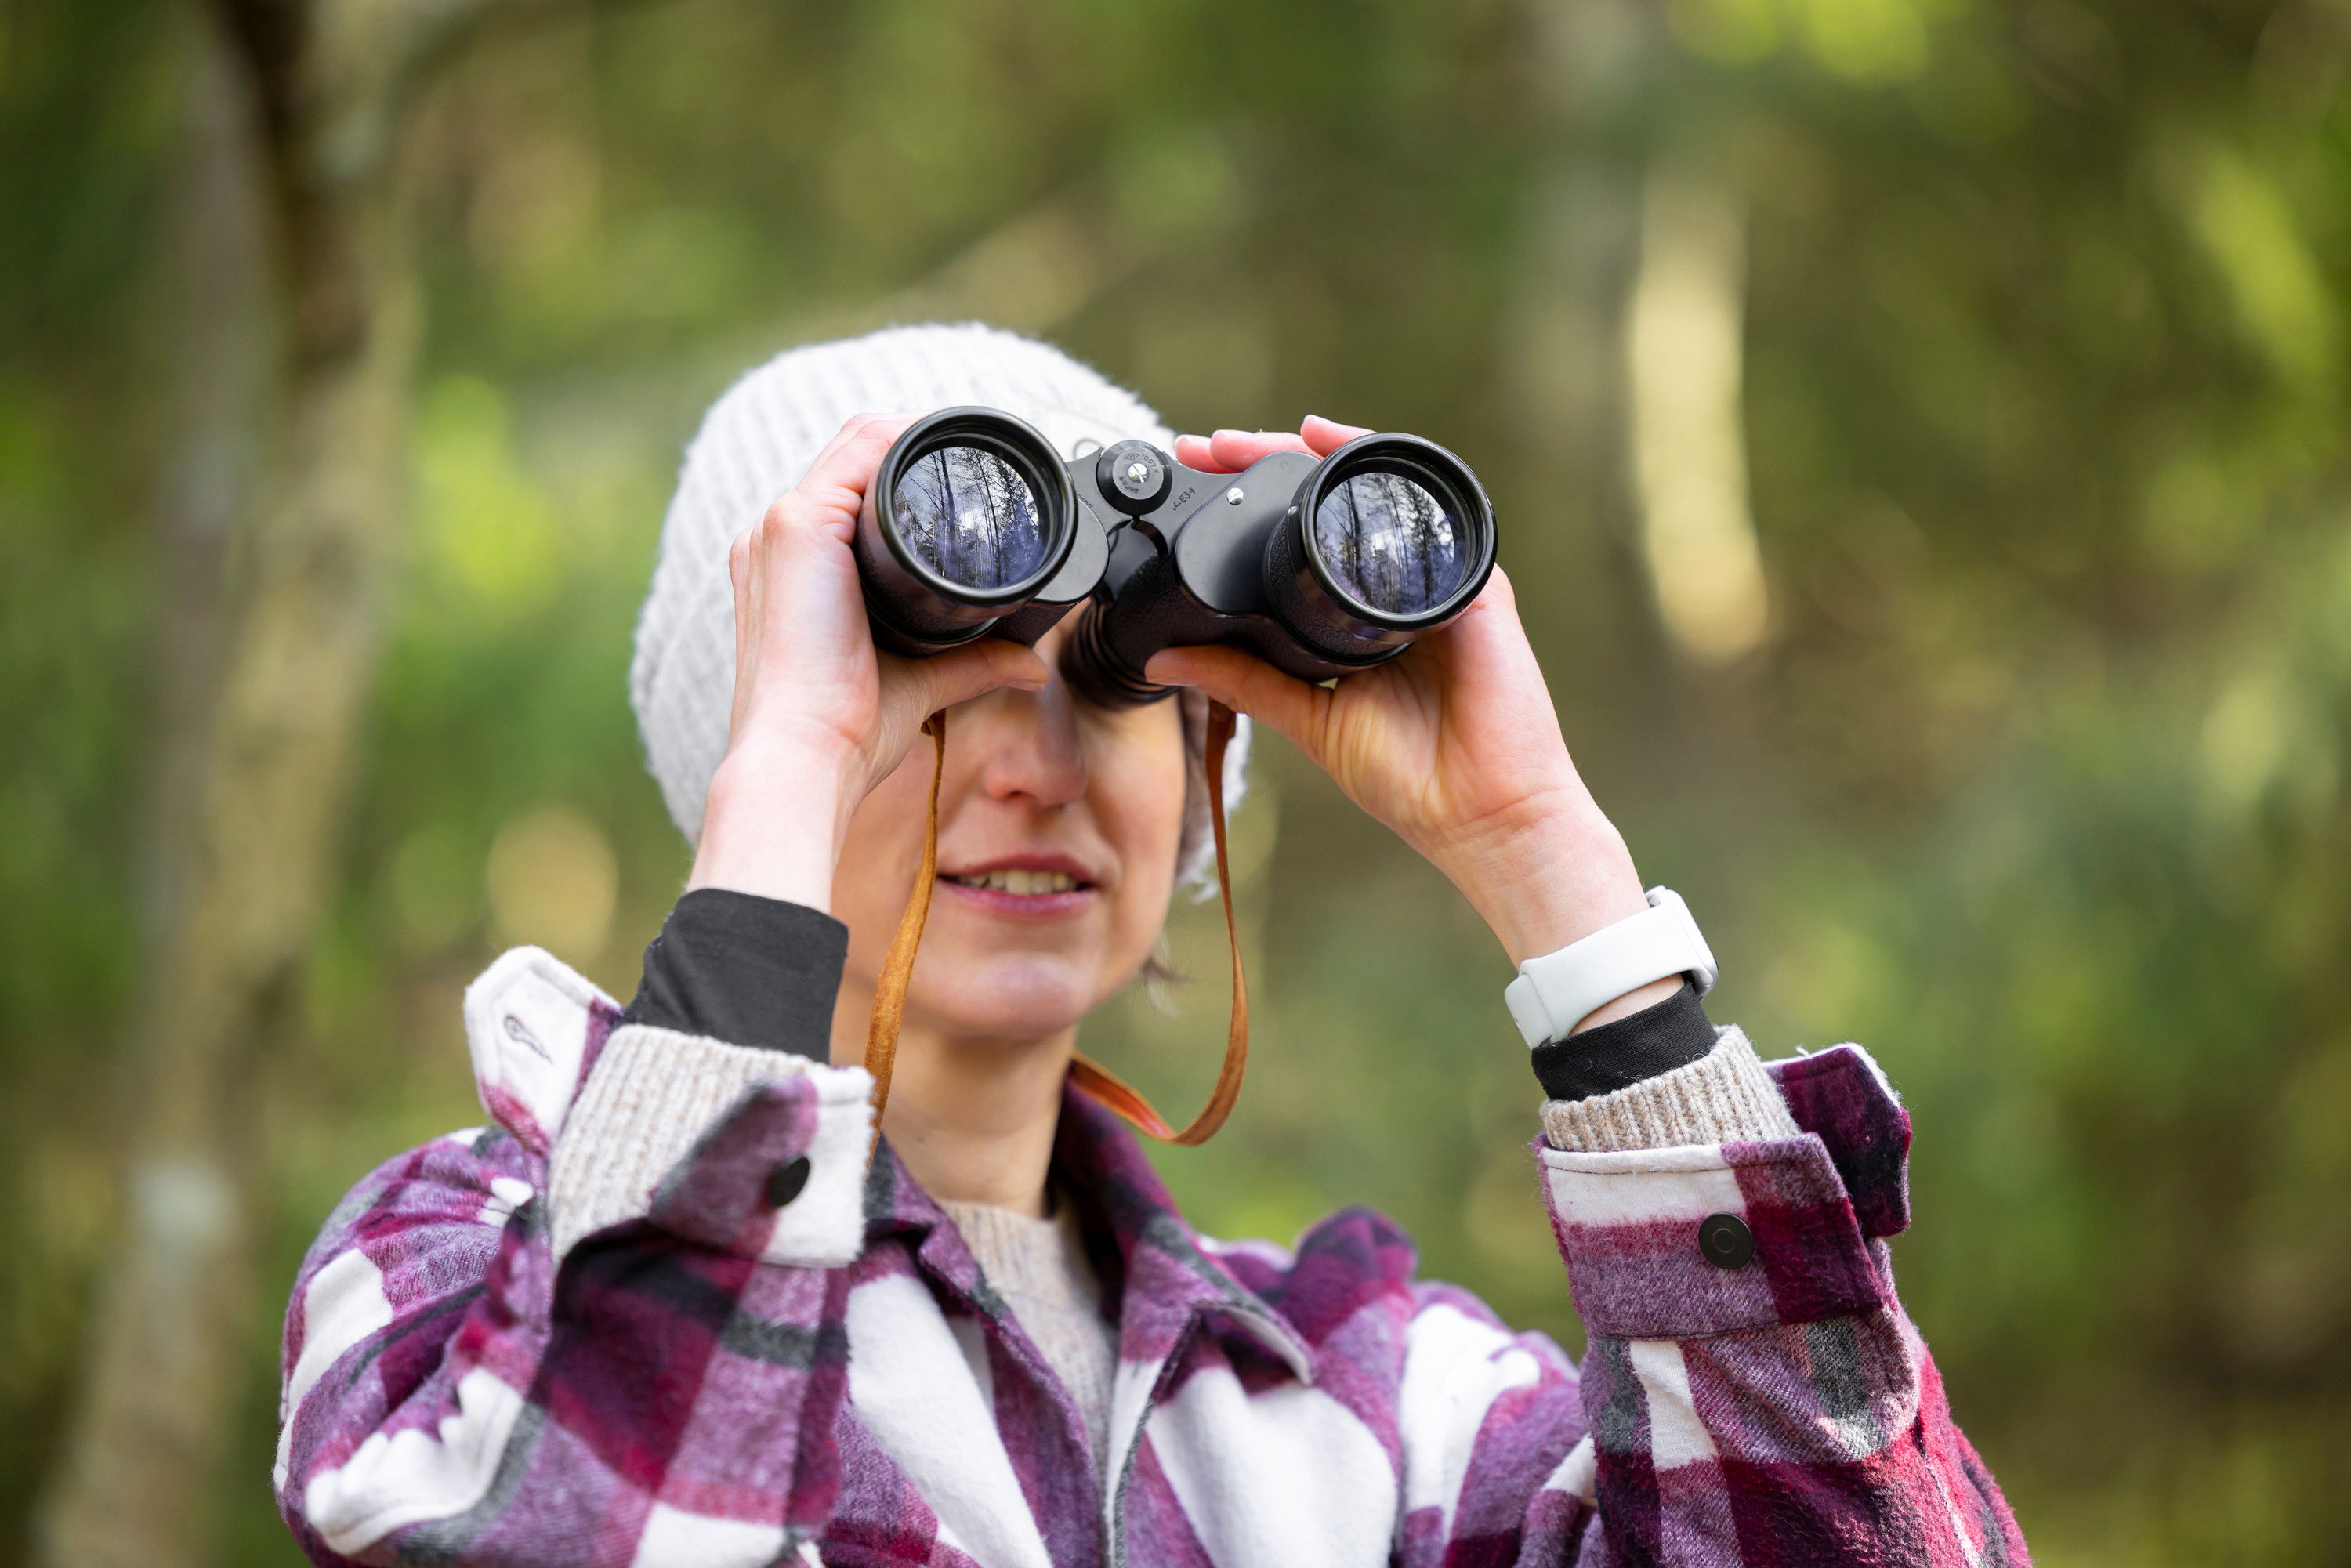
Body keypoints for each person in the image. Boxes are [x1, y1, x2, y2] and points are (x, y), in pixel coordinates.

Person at [273, 324, 2026, 1567]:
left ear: (1197, 783)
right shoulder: (455, 1279)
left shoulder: (1372, 1396)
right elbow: (579, 1532)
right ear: (765, 750)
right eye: (928, 686)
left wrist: (1548, 864)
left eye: (1111, 685)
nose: (1035, 764)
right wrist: (788, 783)